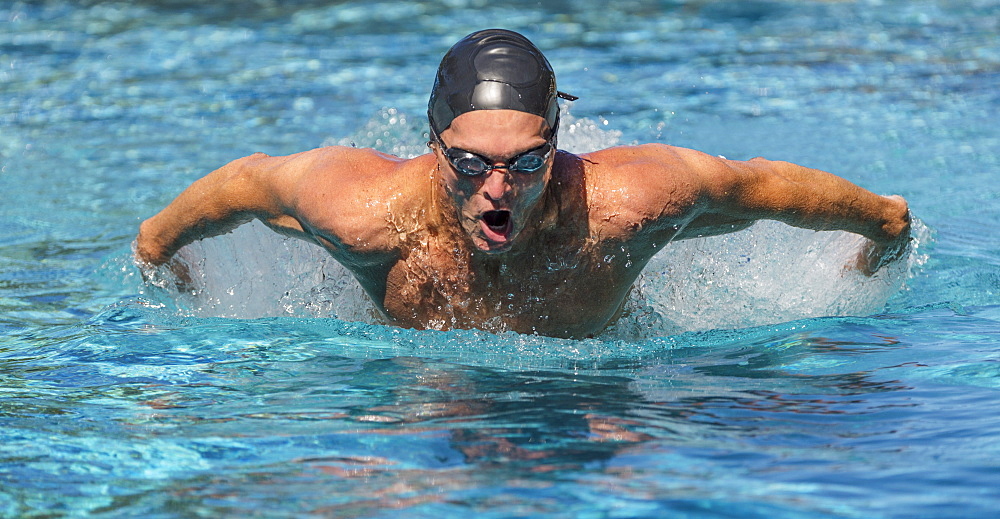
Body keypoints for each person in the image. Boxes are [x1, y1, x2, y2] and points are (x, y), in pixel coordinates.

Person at [135, 29, 910, 339]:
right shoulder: (362, 212)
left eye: (526, 162)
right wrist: (162, 256)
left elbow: (754, 185)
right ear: (433, 144)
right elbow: (245, 185)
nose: (496, 189)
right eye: (470, 163)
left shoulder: (627, 204)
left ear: (558, 142)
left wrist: (881, 223)